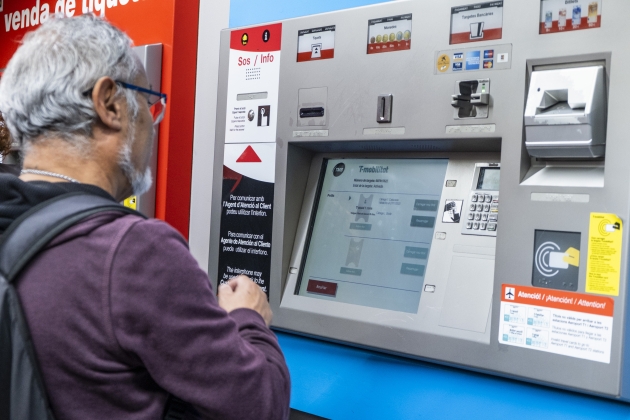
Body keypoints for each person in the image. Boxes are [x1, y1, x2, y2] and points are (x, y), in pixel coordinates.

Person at [0, 15, 290, 420]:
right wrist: (249, 319)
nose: (153, 126)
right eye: (148, 103)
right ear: (110, 104)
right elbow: (259, 405)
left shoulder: (10, 217)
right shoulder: (134, 252)